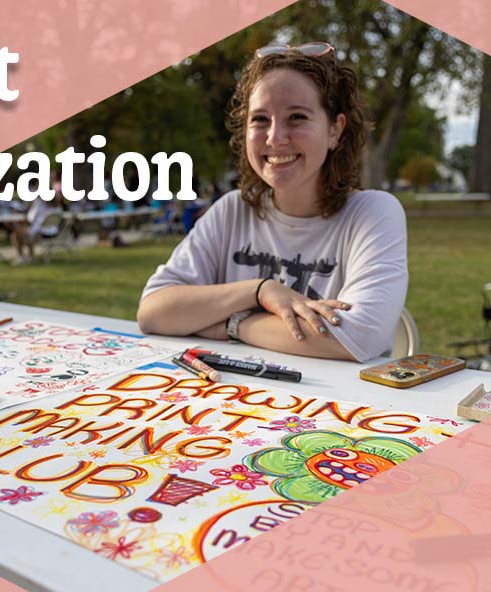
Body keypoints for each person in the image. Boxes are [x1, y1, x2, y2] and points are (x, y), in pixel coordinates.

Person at [137, 42, 408, 362]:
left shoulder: (372, 213)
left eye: (296, 117)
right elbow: (153, 311)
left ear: (335, 130)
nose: (276, 137)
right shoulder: (232, 210)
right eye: (260, 119)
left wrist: (234, 324)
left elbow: (356, 337)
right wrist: (260, 290)